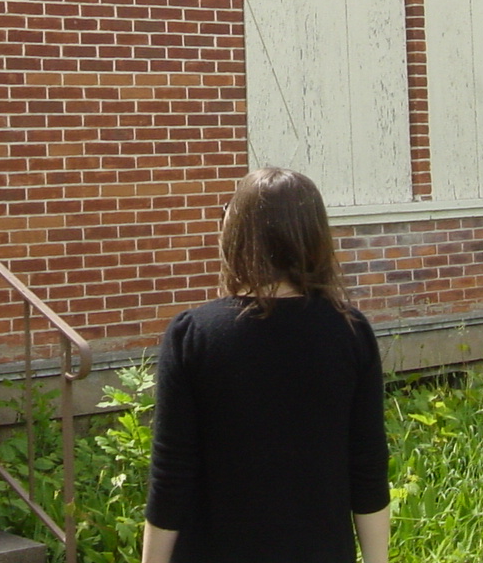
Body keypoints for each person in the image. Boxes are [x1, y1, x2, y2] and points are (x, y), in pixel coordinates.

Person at [142, 168, 391, 563]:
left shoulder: (194, 334)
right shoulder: (350, 332)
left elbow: (171, 477)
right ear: (315, 237)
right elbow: (368, 471)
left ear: (236, 234)